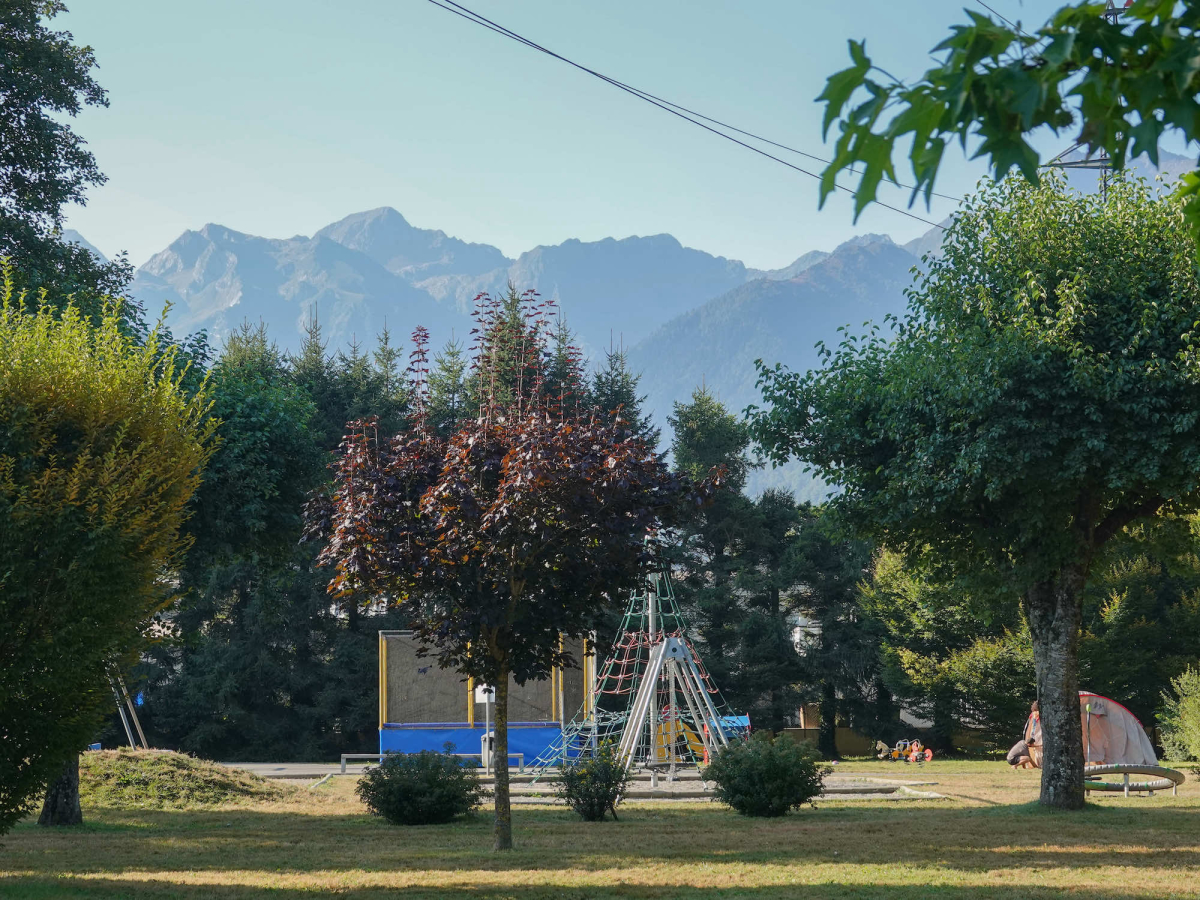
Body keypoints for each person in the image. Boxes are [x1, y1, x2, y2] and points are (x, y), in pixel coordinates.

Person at [1006, 701, 1041, 768]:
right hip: (1012, 759)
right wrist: (1035, 766)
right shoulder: (1025, 747)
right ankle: (1015, 766)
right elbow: (1029, 759)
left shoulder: (1022, 742)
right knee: (1026, 758)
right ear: (1029, 744)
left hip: (1010, 758)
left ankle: (1019, 766)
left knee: (1024, 757)